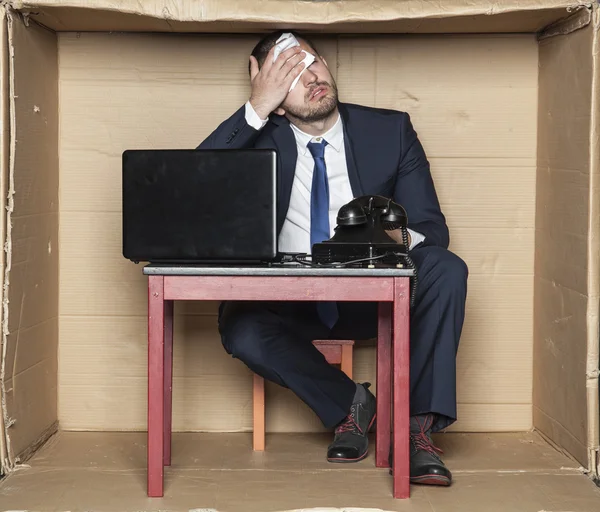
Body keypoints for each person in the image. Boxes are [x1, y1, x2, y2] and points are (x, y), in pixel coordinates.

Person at [197, 30, 468, 487]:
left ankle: (416, 432)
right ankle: (352, 405)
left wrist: (381, 236)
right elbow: (194, 190)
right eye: (289, 75)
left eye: (313, 62)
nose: (311, 78)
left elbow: (431, 230)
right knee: (242, 327)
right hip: (288, 301)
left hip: (370, 295)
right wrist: (256, 110)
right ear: (273, 96)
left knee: (445, 267)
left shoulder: (389, 130)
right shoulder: (260, 136)